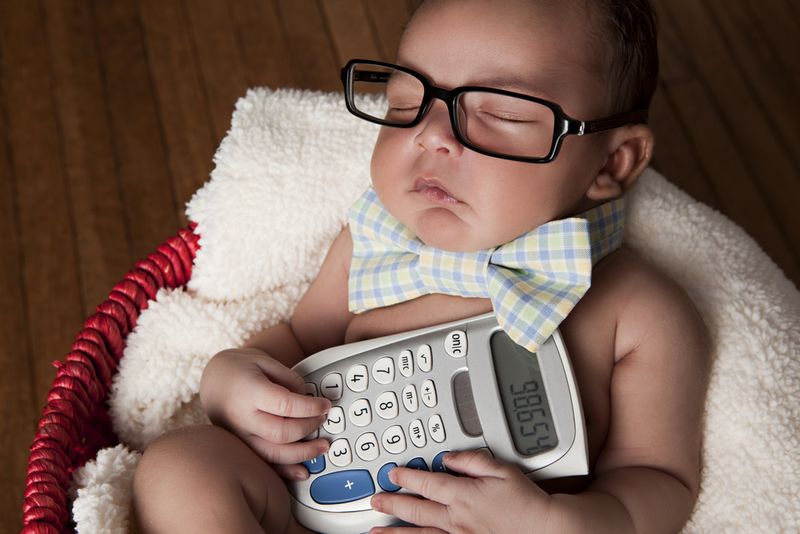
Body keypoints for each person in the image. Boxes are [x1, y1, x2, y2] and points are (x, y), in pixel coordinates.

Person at [133, 1, 710, 532]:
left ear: (612, 162)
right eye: (408, 101)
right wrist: (232, 383)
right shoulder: (372, 242)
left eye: (501, 112)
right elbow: (294, 340)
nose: (432, 135)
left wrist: (554, 524)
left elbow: (660, 480)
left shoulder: (638, 310)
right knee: (179, 466)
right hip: (299, 501)